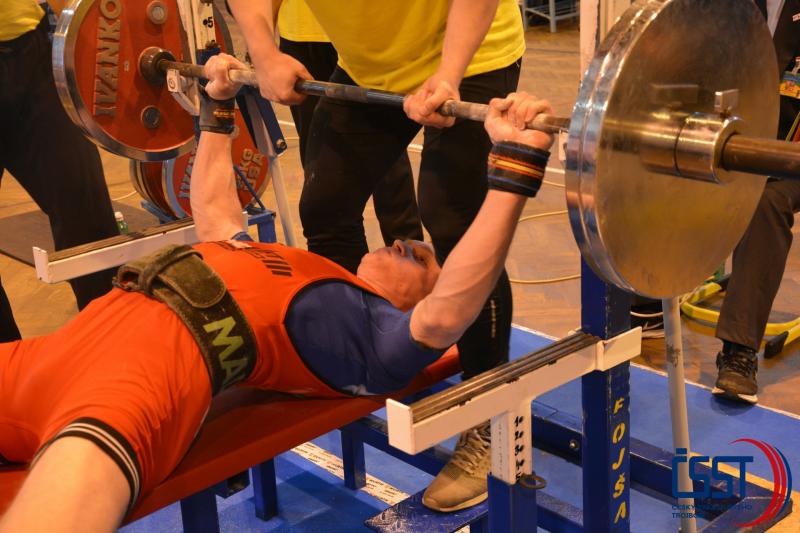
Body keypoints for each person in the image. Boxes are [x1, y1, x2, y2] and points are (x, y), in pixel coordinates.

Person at [0, 54, 553, 531]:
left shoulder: (376, 339)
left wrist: (516, 164)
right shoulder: (302, 269)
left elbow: (449, 311)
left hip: (149, 370)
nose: (405, 241)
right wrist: (218, 107)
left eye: (421, 259)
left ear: (415, 301)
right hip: (61, 348)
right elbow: (217, 217)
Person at [226, 0, 525, 510]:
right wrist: (264, 50)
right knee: (326, 205)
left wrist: (449, 74)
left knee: (452, 219)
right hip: (370, 65)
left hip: (472, 58)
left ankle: (489, 423)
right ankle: (351, 358)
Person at [0, 1, 118, 341]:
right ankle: (9, 366)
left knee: (86, 210)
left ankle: (112, 344)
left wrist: (89, 35)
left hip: (30, 54)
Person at [276, 0, 423, 246]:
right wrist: (265, 53)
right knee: (322, 175)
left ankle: (410, 256)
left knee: (388, 165)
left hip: (363, 31)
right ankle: (339, 267)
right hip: (300, 33)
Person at [712, 0, 800, 404]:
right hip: (735, 143)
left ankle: (739, 351)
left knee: (766, 202)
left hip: (791, 155)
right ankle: (645, 303)